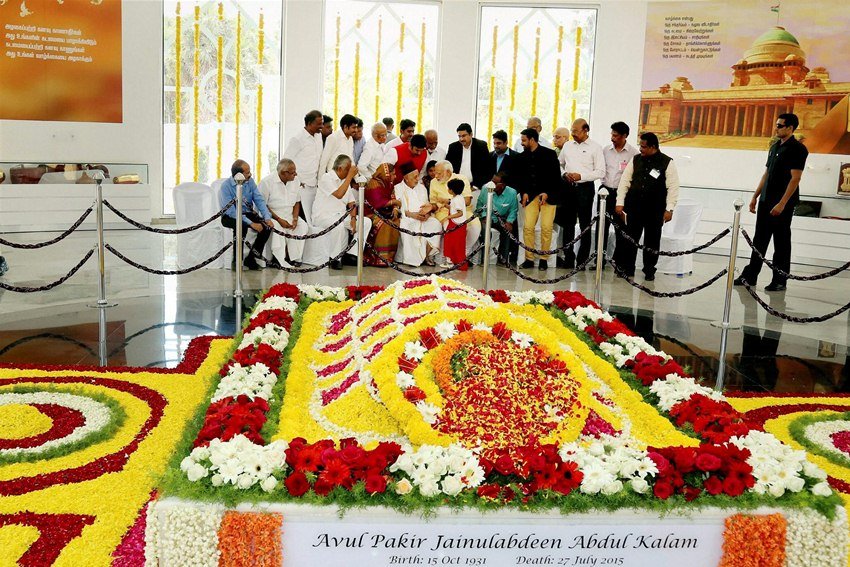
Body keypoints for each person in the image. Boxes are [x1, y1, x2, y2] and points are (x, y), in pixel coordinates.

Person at [734, 113, 808, 292]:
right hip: (767, 200)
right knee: (759, 239)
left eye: (780, 125)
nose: (776, 128)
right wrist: (755, 196)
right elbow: (767, 173)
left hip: (782, 203)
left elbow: (795, 178)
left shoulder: (798, 149)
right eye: (776, 124)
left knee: (781, 242)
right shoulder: (775, 146)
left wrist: (782, 203)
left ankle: (780, 279)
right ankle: (750, 275)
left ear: (790, 128)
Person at [613, 132, 680, 281]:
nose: (640, 149)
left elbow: (673, 188)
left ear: (653, 147)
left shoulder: (667, 162)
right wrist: (620, 202)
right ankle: (627, 268)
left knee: (652, 240)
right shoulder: (635, 160)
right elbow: (625, 182)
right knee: (630, 238)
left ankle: (649, 269)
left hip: (655, 210)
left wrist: (669, 209)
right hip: (634, 208)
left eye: (643, 147)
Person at [559, 118, 605, 267]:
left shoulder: (595, 147)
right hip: (568, 188)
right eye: (572, 130)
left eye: (576, 131)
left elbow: (600, 171)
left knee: (585, 223)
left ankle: (582, 259)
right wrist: (564, 174)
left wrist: (582, 176)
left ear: (585, 130)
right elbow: (559, 164)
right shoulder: (567, 145)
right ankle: (568, 257)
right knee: (568, 224)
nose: (573, 134)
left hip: (585, 188)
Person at [313, 155, 372, 270]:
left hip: (341, 216)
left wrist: (354, 219)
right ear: (340, 168)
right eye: (348, 169)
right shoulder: (326, 178)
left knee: (366, 222)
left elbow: (351, 203)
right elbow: (339, 194)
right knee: (338, 226)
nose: (351, 172)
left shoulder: (345, 181)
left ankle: (352, 255)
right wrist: (350, 177)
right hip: (323, 216)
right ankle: (335, 258)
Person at [516, 128, 562, 271]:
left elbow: (556, 177)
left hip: (548, 196)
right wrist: (523, 192)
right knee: (528, 227)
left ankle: (544, 259)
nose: (522, 143)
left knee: (546, 228)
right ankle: (529, 259)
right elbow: (520, 178)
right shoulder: (521, 157)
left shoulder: (549, 154)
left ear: (532, 140)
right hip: (530, 197)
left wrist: (547, 192)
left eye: (524, 140)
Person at [219, 159, 274, 270]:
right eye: (247, 172)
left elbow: (259, 200)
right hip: (229, 216)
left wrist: (267, 217)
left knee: (267, 227)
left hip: (247, 213)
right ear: (238, 174)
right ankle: (236, 260)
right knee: (241, 226)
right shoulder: (225, 186)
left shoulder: (250, 182)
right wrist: (251, 224)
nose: (250, 174)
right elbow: (232, 212)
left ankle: (251, 258)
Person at [599, 121, 639, 268]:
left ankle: (619, 262)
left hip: (622, 195)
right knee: (601, 228)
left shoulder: (633, 154)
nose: (612, 138)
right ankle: (599, 261)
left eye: (615, 135)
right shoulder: (605, 150)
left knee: (621, 229)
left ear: (624, 136)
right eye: (611, 134)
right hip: (605, 192)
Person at [258, 158, 309, 268]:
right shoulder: (267, 182)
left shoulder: (295, 180)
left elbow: (297, 202)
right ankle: (279, 259)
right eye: (293, 172)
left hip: (289, 215)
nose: (295, 174)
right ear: (283, 173)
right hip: (271, 216)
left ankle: (294, 257)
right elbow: (263, 206)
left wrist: (295, 219)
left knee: (302, 226)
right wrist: (279, 219)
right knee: (278, 228)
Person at [429, 160, 481, 259]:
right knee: (449, 228)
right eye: (435, 172)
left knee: (475, 226)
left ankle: (464, 252)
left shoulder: (461, 179)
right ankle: (450, 256)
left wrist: (448, 201)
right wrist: (431, 207)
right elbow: (434, 202)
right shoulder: (433, 182)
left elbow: (467, 201)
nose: (435, 176)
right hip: (443, 213)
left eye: (439, 173)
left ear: (448, 172)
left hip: (464, 212)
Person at [396, 165, 442, 267]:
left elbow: (427, 204)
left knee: (435, 224)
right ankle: (413, 259)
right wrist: (412, 215)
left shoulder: (421, 188)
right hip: (407, 218)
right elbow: (399, 209)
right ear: (406, 178)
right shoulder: (398, 188)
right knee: (407, 227)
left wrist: (427, 213)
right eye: (414, 177)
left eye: (418, 176)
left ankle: (426, 255)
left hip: (423, 217)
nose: (417, 179)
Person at [283, 110, 324, 223]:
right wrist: (296, 179)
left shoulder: (318, 136)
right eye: (319, 123)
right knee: (303, 221)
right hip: (301, 186)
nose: (321, 126)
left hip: (314, 186)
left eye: (322, 123)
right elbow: (285, 161)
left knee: (313, 220)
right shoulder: (297, 139)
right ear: (310, 123)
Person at [476, 171, 519, 266]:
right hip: (486, 217)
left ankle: (503, 259)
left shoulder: (512, 192)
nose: (492, 184)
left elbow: (513, 210)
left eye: (495, 183)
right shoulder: (485, 189)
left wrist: (509, 221)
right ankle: (484, 260)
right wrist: (484, 216)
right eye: (492, 181)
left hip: (502, 219)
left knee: (507, 231)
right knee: (485, 231)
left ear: (503, 185)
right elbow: (479, 205)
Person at [363, 163, 401, 266]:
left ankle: (388, 258)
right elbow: (377, 202)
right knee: (385, 224)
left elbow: (392, 196)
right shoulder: (373, 183)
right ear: (387, 174)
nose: (395, 176)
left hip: (384, 212)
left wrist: (395, 209)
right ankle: (377, 258)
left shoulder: (389, 183)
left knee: (396, 221)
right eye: (393, 174)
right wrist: (394, 203)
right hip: (371, 213)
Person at [446, 123, 492, 190]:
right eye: (459, 136)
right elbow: (448, 167)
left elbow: (487, 169)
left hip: (475, 187)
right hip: (456, 187)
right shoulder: (453, 147)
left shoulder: (481, 146)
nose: (461, 139)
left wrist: (476, 186)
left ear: (471, 134)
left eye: (464, 136)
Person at [442, 178, 469, 271]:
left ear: (452, 190)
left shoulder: (457, 199)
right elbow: (455, 208)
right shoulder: (458, 198)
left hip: (456, 224)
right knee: (454, 243)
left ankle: (457, 263)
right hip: (457, 224)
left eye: (448, 188)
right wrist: (447, 206)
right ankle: (455, 262)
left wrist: (448, 217)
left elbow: (460, 213)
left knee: (455, 244)